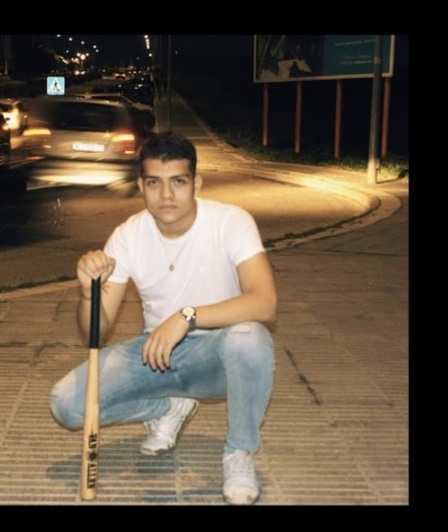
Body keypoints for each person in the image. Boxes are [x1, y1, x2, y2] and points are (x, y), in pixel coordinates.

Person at [49, 132, 277, 505]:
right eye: (154, 183)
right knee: (66, 404)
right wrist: (89, 292)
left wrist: (188, 316)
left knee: (249, 337)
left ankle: (239, 452)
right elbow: (96, 332)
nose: (166, 195)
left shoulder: (230, 222)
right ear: (141, 186)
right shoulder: (127, 236)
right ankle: (167, 406)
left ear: (196, 184)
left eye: (178, 182)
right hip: (157, 354)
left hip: (217, 357)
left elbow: (265, 303)